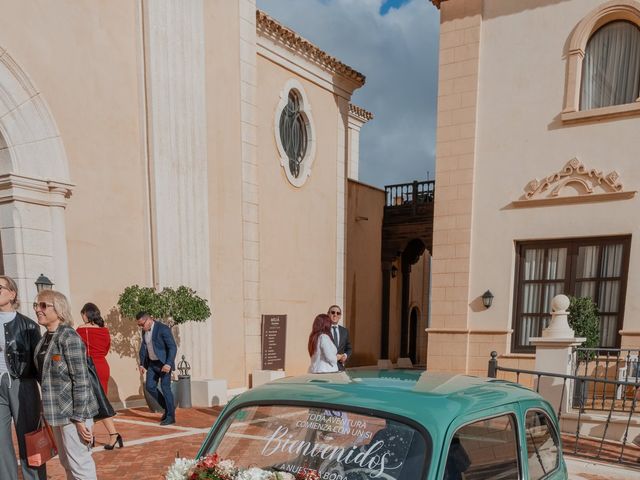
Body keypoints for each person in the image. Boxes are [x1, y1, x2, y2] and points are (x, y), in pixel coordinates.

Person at [33, 289, 98, 480]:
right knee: (67, 462)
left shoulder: (69, 337)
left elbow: (82, 380)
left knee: (80, 463)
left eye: (43, 305)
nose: (38, 309)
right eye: (36, 305)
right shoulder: (44, 339)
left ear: (59, 309)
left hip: (74, 413)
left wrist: (79, 418)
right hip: (56, 412)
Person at [0, 276, 46, 480]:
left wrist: (44, 395)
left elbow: (38, 363)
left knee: (29, 437)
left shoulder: (28, 326)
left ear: (12, 293)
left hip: (22, 383)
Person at [76, 302, 123, 450]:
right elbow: (106, 348)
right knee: (100, 402)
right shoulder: (104, 331)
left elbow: (77, 349)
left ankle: (96, 436)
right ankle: (108, 435)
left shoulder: (80, 330)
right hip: (102, 365)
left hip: (88, 367)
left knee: (94, 404)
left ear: (85, 314)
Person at [136, 311, 177, 425]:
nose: (141, 327)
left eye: (142, 324)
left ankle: (170, 416)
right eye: (139, 325)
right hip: (152, 365)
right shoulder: (144, 332)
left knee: (165, 388)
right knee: (150, 387)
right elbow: (143, 348)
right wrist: (142, 364)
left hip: (164, 364)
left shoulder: (163, 329)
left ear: (149, 320)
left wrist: (168, 363)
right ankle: (168, 408)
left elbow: (172, 347)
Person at [328, 305, 352, 371]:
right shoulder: (324, 330)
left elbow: (349, 348)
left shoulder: (345, 331)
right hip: (327, 368)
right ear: (328, 314)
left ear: (340, 316)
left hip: (340, 368)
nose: (335, 315)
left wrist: (345, 356)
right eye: (333, 312)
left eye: (338, 313)